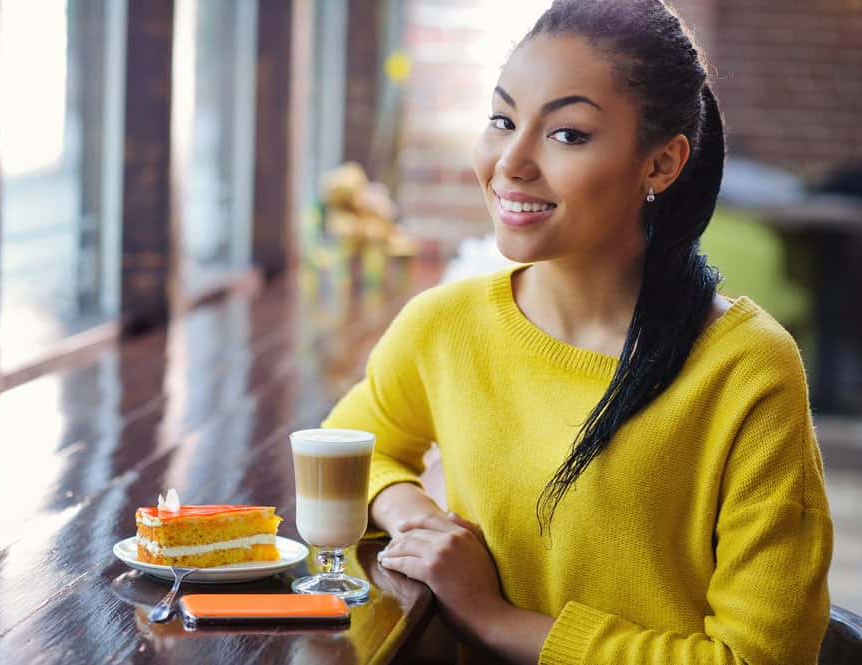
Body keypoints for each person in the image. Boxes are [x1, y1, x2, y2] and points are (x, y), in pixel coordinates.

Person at [321, 1, 834, 663]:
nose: (510, 161)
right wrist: (417, 518)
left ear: (660, 164)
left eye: (566, 134)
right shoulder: (442, 325)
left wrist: (494, 618)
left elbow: (756, 657)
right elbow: (346, 447)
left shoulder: (745, 367)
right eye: (502, 120)